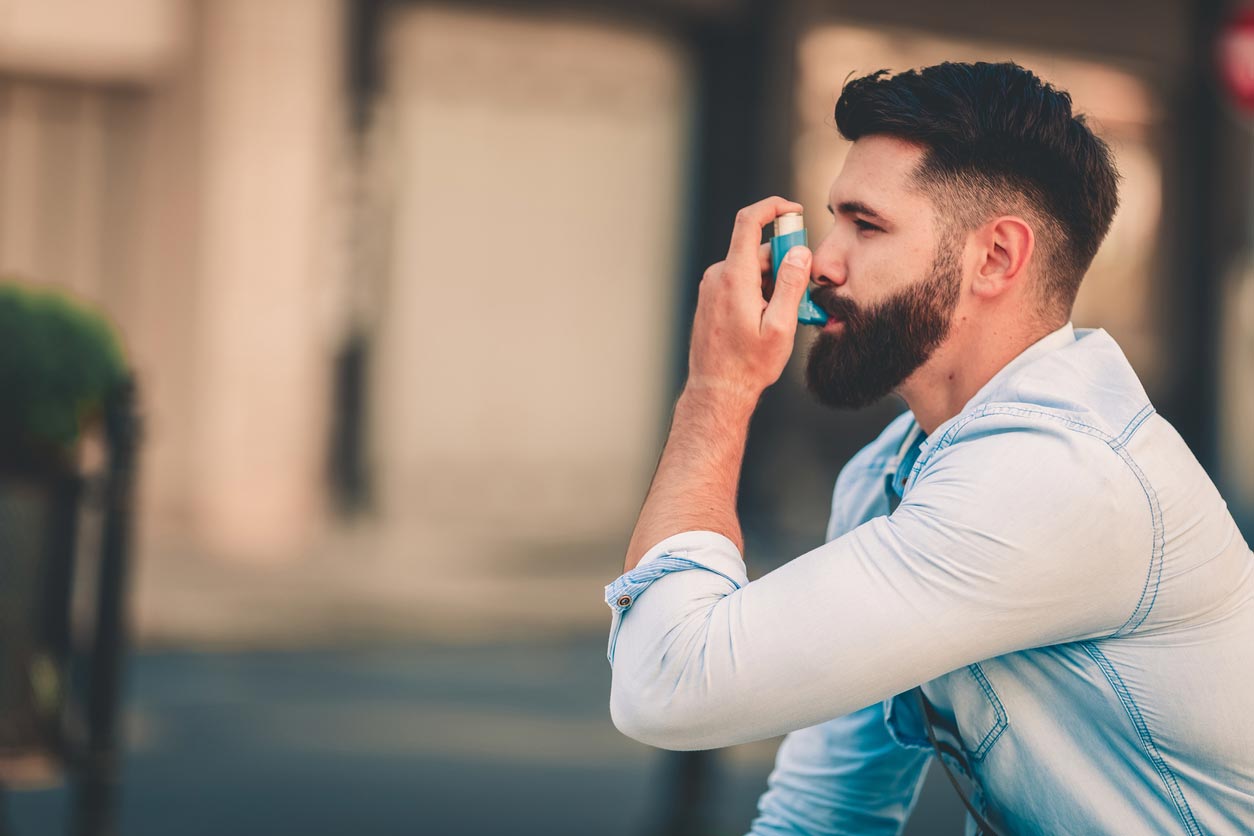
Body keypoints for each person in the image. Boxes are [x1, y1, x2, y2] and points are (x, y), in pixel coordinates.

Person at [603, 62, 1254, 835]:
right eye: (831, 220)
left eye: (866, 225)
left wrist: (718, 390)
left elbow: (667, 684)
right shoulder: (891, 472)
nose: (822, 264)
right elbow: (826, 811)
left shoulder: (1059, 476)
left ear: (996, 258)